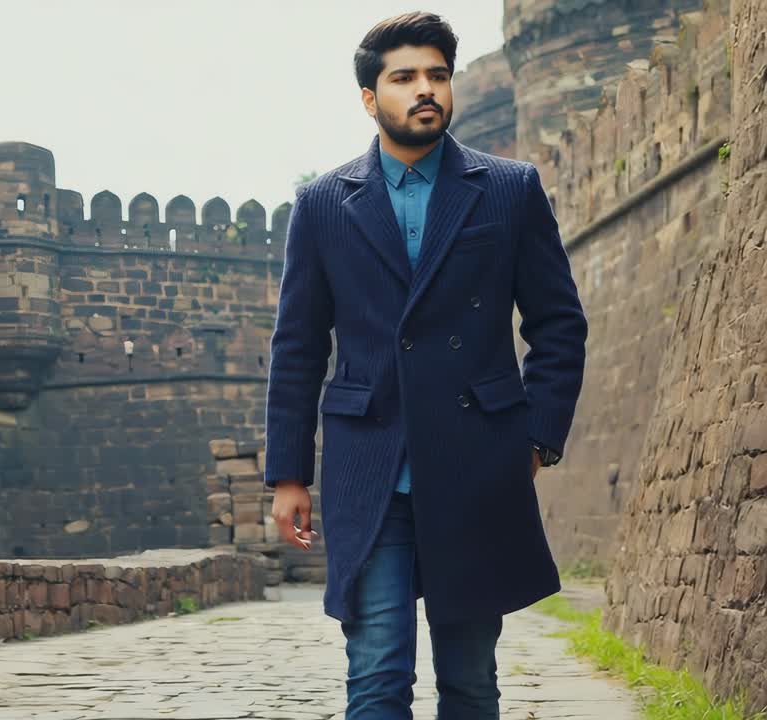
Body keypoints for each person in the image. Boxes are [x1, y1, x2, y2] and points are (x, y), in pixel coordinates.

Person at [262, 11, 588, 719]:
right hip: (369, 469)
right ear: (369, 97)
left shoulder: (508, 188)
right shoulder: (323, 204)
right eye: (404, 77)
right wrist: (289, 474)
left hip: (477, 467)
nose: (425, 90)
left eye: (437, 74)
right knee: (376, 675)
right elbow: (298, 346)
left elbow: (558, 324)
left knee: (470, 680)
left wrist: (536, 438)